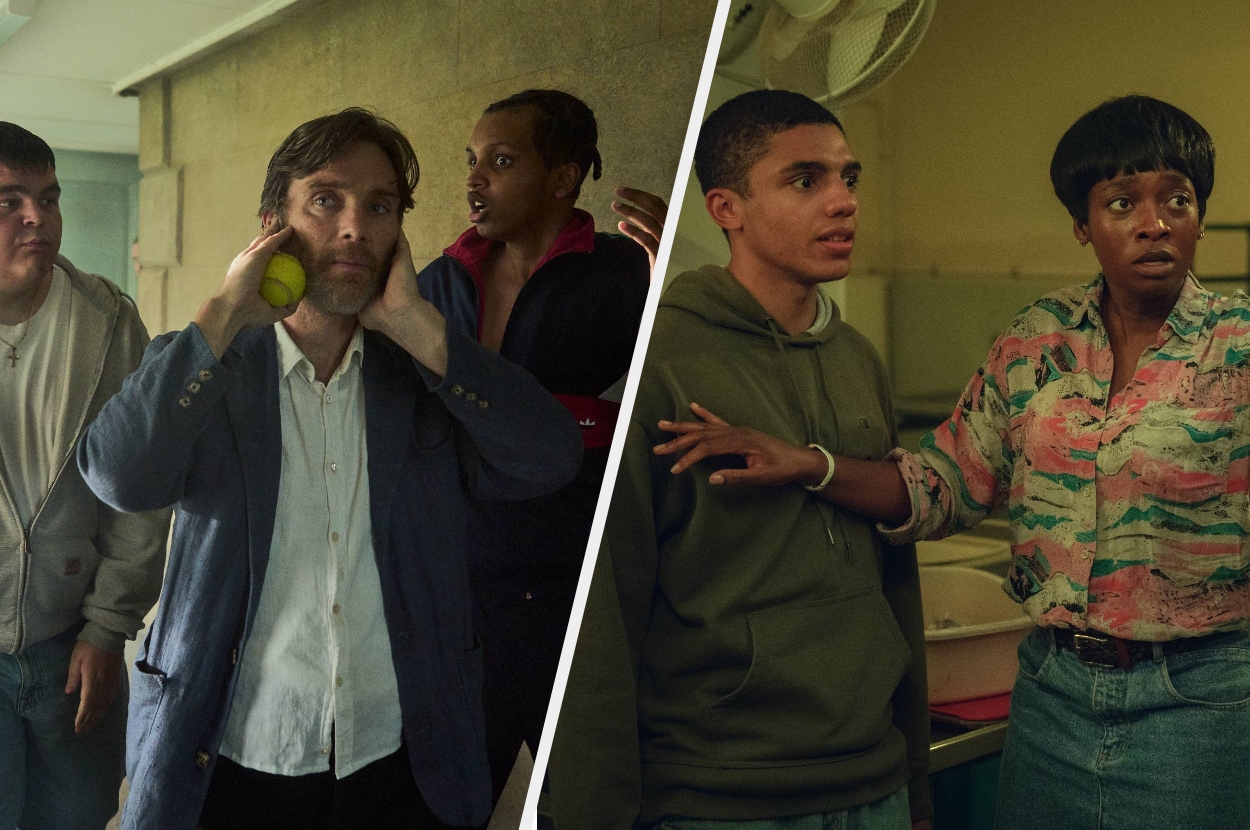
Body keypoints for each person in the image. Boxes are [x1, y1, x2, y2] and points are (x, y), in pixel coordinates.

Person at [656, 95, 1250, 830]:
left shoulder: (1239, 348)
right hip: (1053, 699)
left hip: (1200, 704)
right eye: (1122, 202)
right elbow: (940, 487)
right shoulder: (1038, 341)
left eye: (1179, 201)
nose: (1153, 223)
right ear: (1082, 226)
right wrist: (809, 464)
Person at [77, 108, 584, 830]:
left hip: (399, 756)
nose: (355, 228)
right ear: (271, 226)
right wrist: (223, 312)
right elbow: (120, 477)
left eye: (379, 207)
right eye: (326, 200)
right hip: (229, 751)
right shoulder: (207, 367)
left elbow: (551, 456)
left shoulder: (425, 375)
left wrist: (417, 327)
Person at [548, 89, 932, 830]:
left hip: (871, 781)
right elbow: (604, 615)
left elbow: (897, 584)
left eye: (848, 178)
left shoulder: (858, 358)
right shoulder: (663, 358)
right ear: (727, 208)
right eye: (805, 180)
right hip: (719, 796)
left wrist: (914, 784)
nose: (842, 202)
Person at [416, 88, 663, 804]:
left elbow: (675, 392)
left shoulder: (624, 271)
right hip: (464, 585)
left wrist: (676, 276)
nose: (474, 180)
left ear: (563, 177)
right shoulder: (439, 283)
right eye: (471, 161)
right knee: (448, 797)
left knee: (582, 800)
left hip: (574, 584)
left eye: (500, 161)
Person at [0, 122, 170, 830]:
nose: (36, 216)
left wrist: (107, 628)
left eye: (48, 197)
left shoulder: (106, 320)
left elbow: (140, 494)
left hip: (72, 645)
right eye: (8, 202)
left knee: (77, 817)